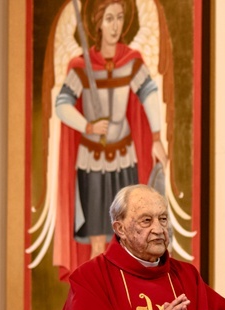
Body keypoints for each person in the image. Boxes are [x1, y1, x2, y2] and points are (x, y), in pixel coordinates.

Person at [47, 184, 225, 310]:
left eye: (163, 219)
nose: (159, 229)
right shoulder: (90, 278)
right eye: (146, 220)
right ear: (120, 229)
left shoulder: (186, 276)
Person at [54, 0, 169, 277]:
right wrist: (88, 126)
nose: (115, 25)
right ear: (98, 24)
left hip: (123, 156)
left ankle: (123, 288)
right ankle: (99, 292)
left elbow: (149, 93)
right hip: (92, 161)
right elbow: (62, 104)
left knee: (127, 236)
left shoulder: (130, 61)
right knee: (97, 239)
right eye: (108, 18)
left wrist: (155, 137)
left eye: (119, 18)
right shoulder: (81, 65)